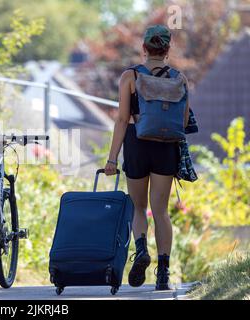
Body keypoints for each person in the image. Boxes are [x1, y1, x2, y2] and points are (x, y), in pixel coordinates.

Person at [104, 25, 190, 290]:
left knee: (138, 207)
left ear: (144, 48)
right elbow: (184, 122)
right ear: (167, 48)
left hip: (136, 143)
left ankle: (141, 250)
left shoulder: (130, 76)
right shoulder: (180, 78)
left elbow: (121, 119)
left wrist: (111, 159)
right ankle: (163, 273)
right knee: (161, 211)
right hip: (166, 146)